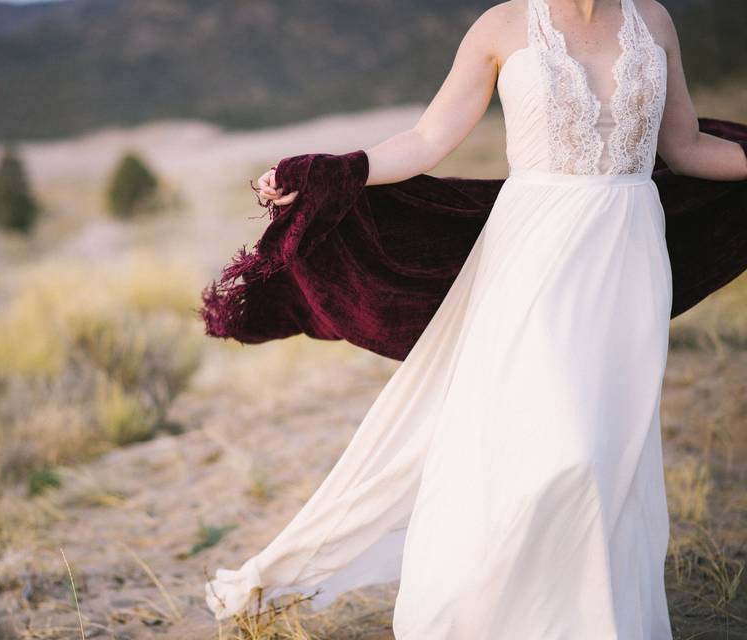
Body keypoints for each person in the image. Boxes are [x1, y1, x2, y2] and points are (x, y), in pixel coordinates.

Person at [205, 0, 747, 637]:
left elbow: (684, 148)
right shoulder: (501, 26)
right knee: (560, 446)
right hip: (535, 260)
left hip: (630, 262)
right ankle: (475, 615)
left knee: (611, 454)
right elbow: (429, 139)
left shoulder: (653, 21)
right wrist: (335, 175)